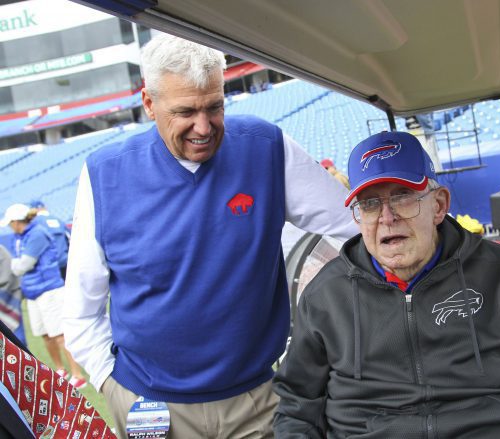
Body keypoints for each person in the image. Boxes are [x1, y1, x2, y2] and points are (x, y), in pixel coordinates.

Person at [63, 33, 358, 439]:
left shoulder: (267, 147)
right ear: (149, 104)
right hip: (149, 406)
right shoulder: (103, 174)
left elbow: (353, 228)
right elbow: (81, 306)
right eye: (185, 111)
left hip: (256, 401)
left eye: (215, 107)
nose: (204, 127)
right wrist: (111, 385)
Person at [273, 131, 500, 438]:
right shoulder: (325, 295)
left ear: (439, 205)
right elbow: (296, 409)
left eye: (402, 197)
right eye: (370, 204)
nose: (387, 217)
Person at [0, 204, 86, 389]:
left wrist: (16, 265)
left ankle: (77, 375)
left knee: (60, 335)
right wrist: (17, 264)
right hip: (33, 293)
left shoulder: (37, 234)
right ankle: (61, 369)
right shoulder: (20, 237)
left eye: (11, 223)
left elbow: (22, 266)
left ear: (17, 222)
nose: (9, 226)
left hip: (49, 290)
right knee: (45, 335)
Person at [28, 200, 70, 280]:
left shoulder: (34, 223)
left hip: (48, 268)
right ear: (44, 207)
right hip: (66, 262)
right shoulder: (58, 220)